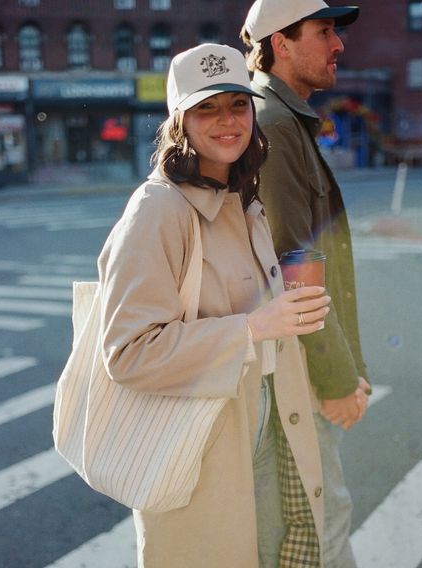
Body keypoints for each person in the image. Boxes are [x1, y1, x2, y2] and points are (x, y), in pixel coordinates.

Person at [97, 43, 331, 568]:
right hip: (204, 453)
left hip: (264, 431)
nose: (227, 121)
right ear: (179, 120)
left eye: (237, 104)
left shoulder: (242, 198)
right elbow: (127, 353)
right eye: (207, 108)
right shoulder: (159, 209)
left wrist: (287, 310)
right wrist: (250, 328)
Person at [241, 1, 371, 567]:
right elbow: (297, 266)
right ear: (280, 42)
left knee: (310, 527)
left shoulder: (285, 119)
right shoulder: (271, 123)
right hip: (299, 372)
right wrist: (340, 378)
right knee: (320, 528)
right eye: (324, 32)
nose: (338, 45)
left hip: (300, 362)